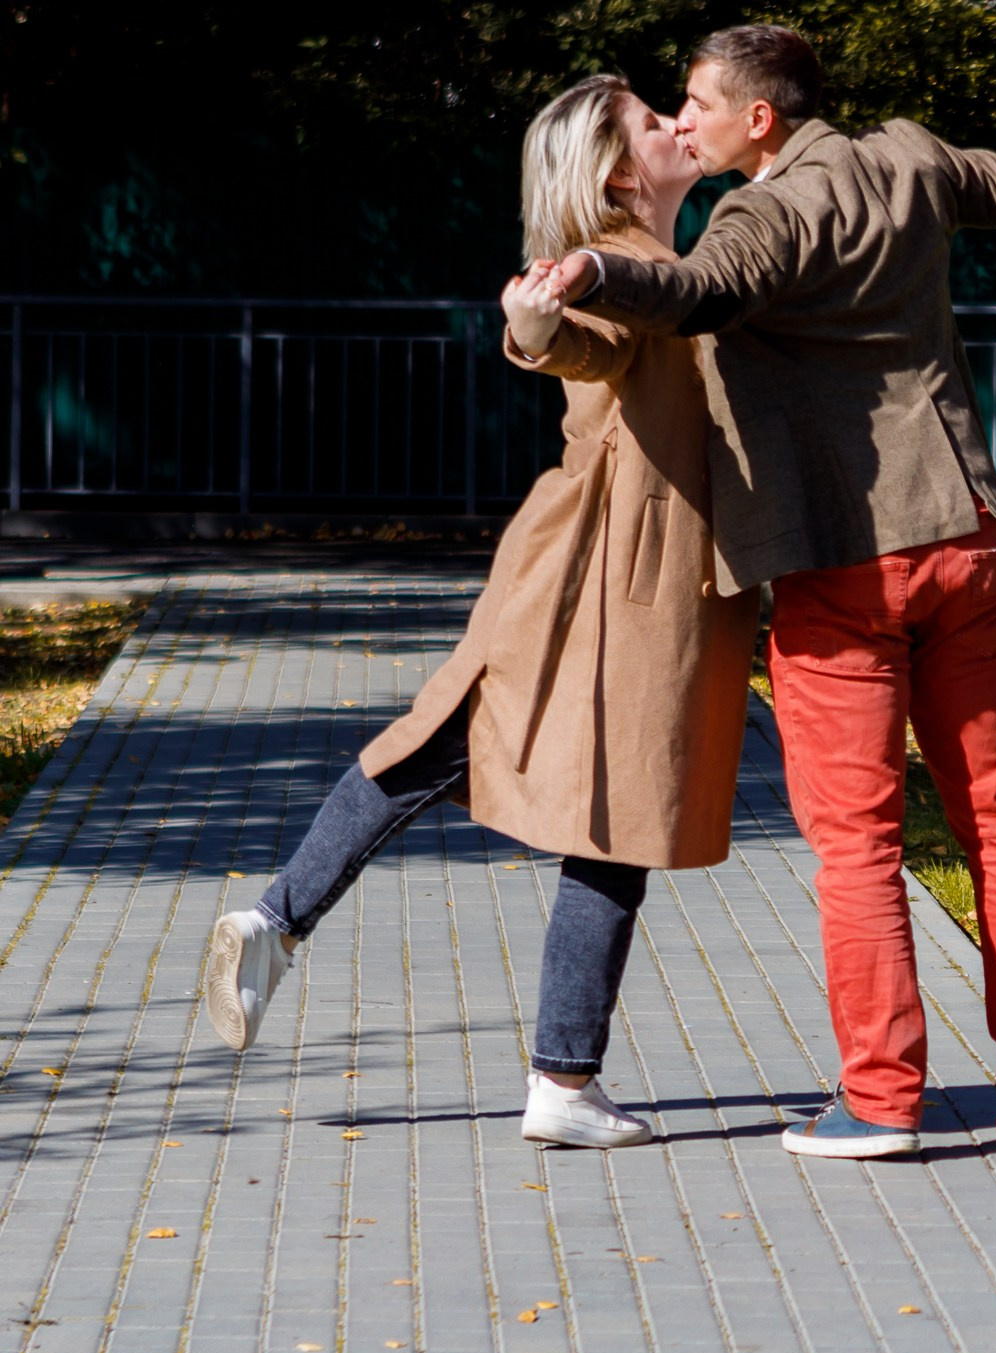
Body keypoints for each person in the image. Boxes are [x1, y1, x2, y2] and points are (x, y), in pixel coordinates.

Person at [513, 21, 996, 1160]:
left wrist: (594, 271)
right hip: (963, 535)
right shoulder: (909, 157)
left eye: (697, 103)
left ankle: (882, 1101)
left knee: (857, 841)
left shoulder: (759, 216)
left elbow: (697, 294)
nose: (684, 120)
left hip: (843, 562)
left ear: (759, 118)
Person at [201, 75, 760, 1150]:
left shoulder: (676, 258)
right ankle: (557, 1080)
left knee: (475, 755)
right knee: (601, 814)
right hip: (608, 570)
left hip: (609, 568)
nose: (679, 124)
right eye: (655, 122)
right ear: (616, 172)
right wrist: (534, 327)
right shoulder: (616, 262)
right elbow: (581, 336)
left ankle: (279, 923)